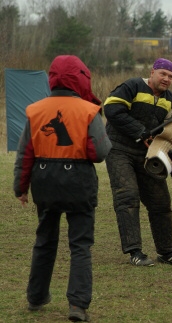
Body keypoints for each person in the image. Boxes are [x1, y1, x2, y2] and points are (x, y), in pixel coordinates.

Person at [13, 55, 112, 321]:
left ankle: (36, 297)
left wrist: (20, 188)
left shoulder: (35, 110)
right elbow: (99, 152)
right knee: (80, 245)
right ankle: (78, 306)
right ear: (81, 78)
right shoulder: (88, 110)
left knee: (44, 241)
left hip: (45, 184)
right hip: (79, 184)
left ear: (52, 78)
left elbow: (25, 154)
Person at [103, 57, 172, 266]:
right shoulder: (132, 86)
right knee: (128, 196)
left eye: (171, 76)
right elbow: (111, 110)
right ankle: (135, 252)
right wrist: (140, 131)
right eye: (163, 74)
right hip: (118, 150)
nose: (167, 79)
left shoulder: (171, 100)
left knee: (161, 202)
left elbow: (167, 130)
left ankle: (166, 252)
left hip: (147, 156)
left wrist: (166, 151)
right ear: (152, 72)